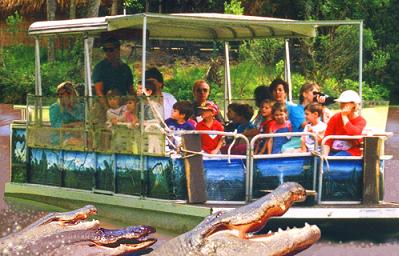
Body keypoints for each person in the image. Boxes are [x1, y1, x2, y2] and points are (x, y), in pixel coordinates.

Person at [323, 90, 366, 157]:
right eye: (341, 103)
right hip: (334, 150)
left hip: (351, 151)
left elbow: (354, 133)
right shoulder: (335, 117)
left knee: (336, 159)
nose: (342, 105)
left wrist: (344, 116)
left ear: (354, 105)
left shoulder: (361, 120)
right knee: (317, 160)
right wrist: (324, 156)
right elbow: (327, 139)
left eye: (345, 103)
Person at [49, 81, 84, 145]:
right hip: (61, 138)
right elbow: (56, 127)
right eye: (57, 94)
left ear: (71, 94)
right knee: (79, 142)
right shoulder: (55, 108)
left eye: (62, 94)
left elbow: (86, 122)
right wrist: (74, 125)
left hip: (80, 135)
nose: (59, 96)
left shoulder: (81, 107)